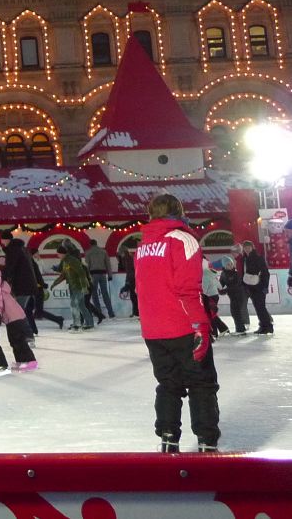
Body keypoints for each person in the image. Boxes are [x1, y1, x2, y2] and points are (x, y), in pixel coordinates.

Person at [134, 193, 219, 453]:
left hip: (153, 329)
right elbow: (187, 289)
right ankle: (206, 441)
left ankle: (168, 437)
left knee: (168, 384)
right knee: (201, 383)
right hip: (183, 326)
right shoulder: (183, 239)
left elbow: (143, 288)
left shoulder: (143, 245)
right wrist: (200, 325)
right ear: (179, 211)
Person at [1, 235, 38, 337]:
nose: (2, 243)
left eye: (2, 240)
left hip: (22, 285)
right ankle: (27, 332)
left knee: (18, 311)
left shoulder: (13, 250)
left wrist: (2, 277)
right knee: (22, 310)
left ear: (6, 240)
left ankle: (28, 335)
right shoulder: (23, 249)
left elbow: (10, 267)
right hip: (27, 284)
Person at [51, 243, 94, 331]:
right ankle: (89, 323)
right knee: (81, 306)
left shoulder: (72, 260)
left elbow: (81, 273)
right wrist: (54, 284)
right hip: (72, 286)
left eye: (58, 254)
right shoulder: (64, 262)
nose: (57, 255)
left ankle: (77, 325)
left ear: (62, 253)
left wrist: (84, 287)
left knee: (74, 305)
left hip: (78, 286)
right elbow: (63, 275)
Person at [241, 240, 274, 335]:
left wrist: (265, 286)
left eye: (249, 247)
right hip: (251, 287)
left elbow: (265, 272)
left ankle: (268, 327)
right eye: (245, 247)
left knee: (261, 307)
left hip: (259, 286)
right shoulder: (245, 259)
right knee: (258, 307)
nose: (247, 249)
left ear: (252, 247)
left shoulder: (258, 258)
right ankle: (263, 326)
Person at [30, 257, 66, 330]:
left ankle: (58, 319)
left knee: (37, 311)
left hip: (37, 290)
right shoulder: (31, 267)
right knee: (35, 311)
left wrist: (43, 285)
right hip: (35, 290)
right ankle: (27, 325)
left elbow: (38, 278)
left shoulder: (33, 267)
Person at [218, 254, 248, 335]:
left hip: (240, 294)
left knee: (236, 312)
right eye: (228, 264)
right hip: (232, 296)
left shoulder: (236, 273)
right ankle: (241, 328)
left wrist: (226, 290)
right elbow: (221, 284)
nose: (230, 265)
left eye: (231, 264)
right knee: (235, 312)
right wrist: (219, 289)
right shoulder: (223, 274)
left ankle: (240, 330)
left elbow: (236, 285)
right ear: (224, 266)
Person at [84, 238, 112, 321]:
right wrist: (110, 275)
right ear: (96, 243)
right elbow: (108, 264)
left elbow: (87, 266)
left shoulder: (88, 252)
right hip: (103, 274)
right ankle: (111, 313)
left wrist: (87, 277)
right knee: (105, 293)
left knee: (94, 294)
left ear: (90, 244)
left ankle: (99, 313)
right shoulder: (103, 251)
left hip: (93, 275)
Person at [200, 257, 228, 339]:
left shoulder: (205, 275)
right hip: (215, 295)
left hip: (209, 296)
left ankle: (214, 333)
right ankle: (222, 328)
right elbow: (219, 285)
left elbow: (204, 288)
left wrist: (202, 296)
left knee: (210, 315)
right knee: (212, 314)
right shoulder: (211, 273)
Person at [120, 247, 141, 319]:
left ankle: (136, 313)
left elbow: (129, 272)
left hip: (132, 279)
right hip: (134, 278)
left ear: (122, 252)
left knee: (133, 297)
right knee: (134, 297)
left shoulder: (126, 259)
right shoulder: (130, 257)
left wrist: (127, 281)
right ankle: (136, 312)